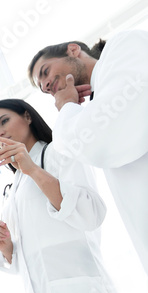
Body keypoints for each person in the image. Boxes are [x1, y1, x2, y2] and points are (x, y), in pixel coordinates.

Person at [0, 99, 147, 293]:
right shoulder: (14, 186)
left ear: (27, 116)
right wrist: (7, 249)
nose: (0, 132)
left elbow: (91, 212)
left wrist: (32, 170)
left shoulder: (58, 153)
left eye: (4, 120)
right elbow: (30, 259)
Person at [28, 29, 148, 276]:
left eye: (45, 72)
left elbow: (95, 137)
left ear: (73, 50)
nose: (47, 85)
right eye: (43, 88)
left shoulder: (124, 45)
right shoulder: (95, 105)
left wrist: (67, 106)